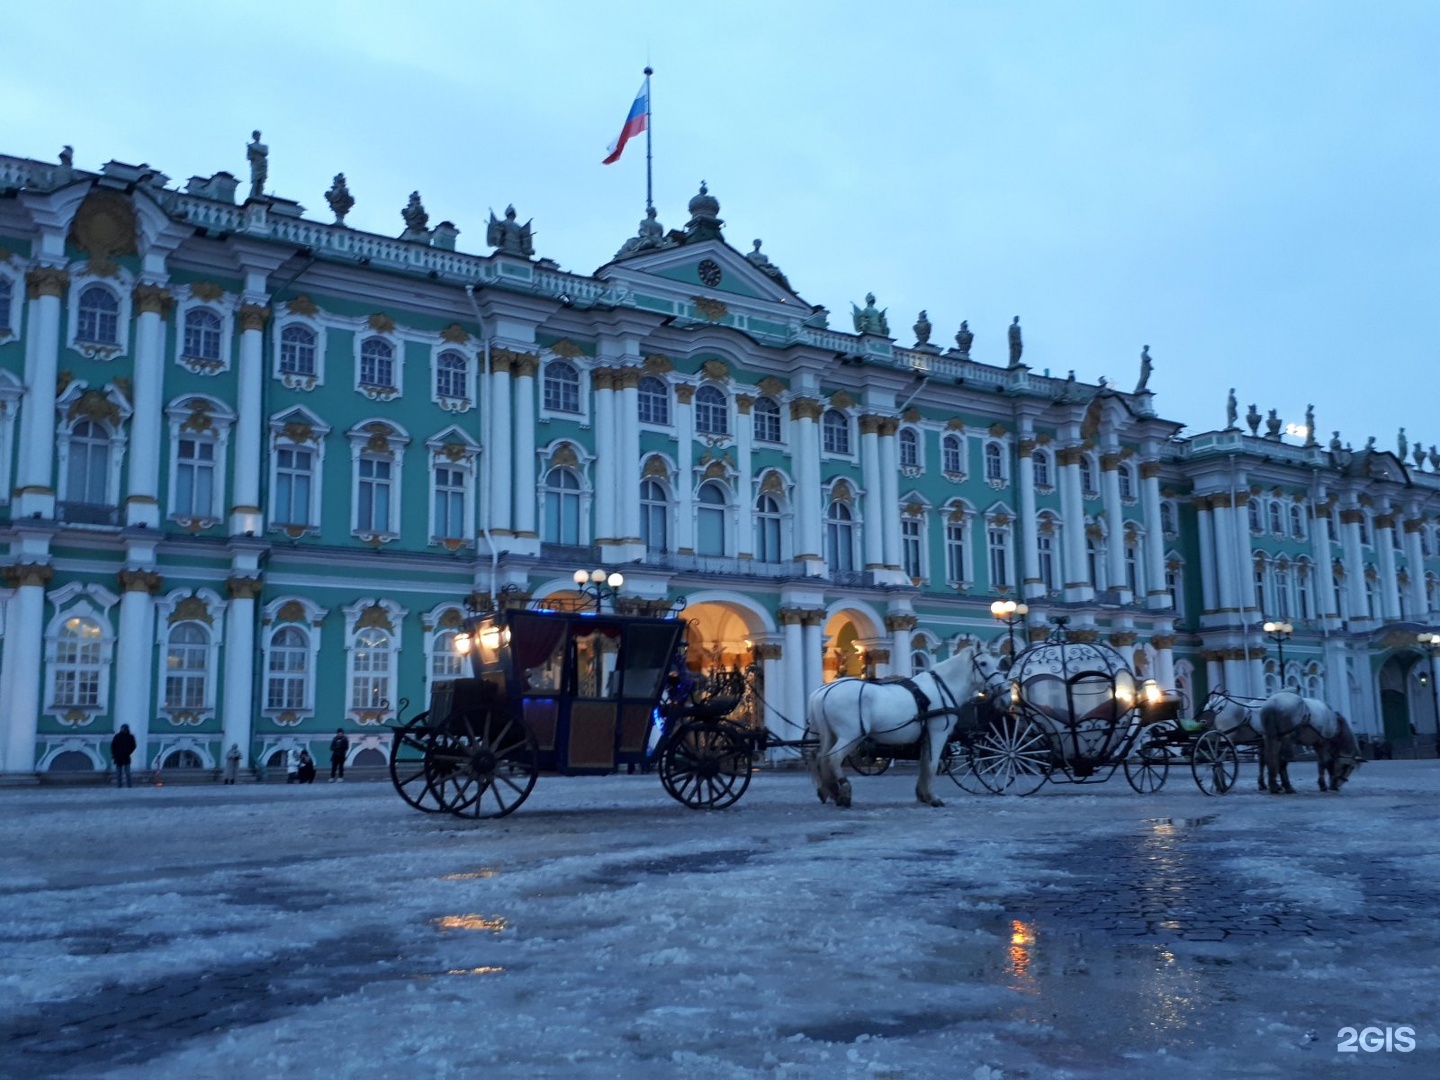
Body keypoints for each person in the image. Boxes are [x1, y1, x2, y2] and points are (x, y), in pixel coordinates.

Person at [110, 724, 137, 789]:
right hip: (118, 757)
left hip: (126, 757)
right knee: (119, 773)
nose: (124, 730)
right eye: (123, 729)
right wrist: (114, 754)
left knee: (127, 773)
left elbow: (133, 746)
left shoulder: (130, 737)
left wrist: (129, 752)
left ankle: (129, 785)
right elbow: (113, 746)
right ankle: (119, 785)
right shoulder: (117, 737)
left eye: (125, 729)